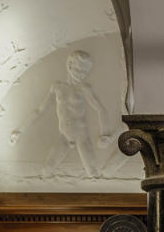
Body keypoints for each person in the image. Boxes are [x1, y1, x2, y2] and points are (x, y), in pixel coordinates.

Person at [12, 50, 115, 178]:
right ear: (69, 65)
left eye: (85, 72)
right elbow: (40, 110)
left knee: (92, 172)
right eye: (79, 70)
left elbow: (101, 110)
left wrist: (105, 134)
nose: (82, 75)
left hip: (81, 136)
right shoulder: (57, 87)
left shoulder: (84, 88)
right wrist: (19, 130)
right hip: (64, 135)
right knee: (46, 171)